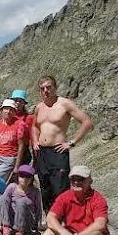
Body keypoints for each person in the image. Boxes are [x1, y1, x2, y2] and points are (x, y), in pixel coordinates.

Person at [32, 75, 93, 211]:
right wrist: (35, 140)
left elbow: (86, 122)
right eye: (42, 89)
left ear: (55, 88)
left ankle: (64, 222)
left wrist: (71, 143)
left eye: (49, 87)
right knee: (45, 188)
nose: (46, 91)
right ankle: (50, 222)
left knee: (60, 188)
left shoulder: (65, 104)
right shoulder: (39, 107)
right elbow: (35, 126)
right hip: (42, 152)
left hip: (58, 151)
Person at [0, 164, 42, 235]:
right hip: (11, 218)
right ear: (18, 176)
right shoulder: (12, 187)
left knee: (21, 202)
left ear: (31, 179)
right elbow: (1, 203)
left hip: (26, 220)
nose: (24, 179)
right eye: (22, 176)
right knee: (2, 198)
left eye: (28, 176)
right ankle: (6, 229)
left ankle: (19, 231)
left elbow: (38, 208)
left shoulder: (35, 191)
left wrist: (37, 225)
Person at [0, 99, 26, 182]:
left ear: (14, 112)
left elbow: (21, 146)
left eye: (11, 109)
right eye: (6, 108)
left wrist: (17, 166)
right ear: (1, 110)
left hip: (8, 158)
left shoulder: (19, 124)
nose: (8, 112)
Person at [10, 89, 34, 164]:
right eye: (15, 100)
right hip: (9, 152)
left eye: (20, 101)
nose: (17, 103)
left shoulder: (29, 118)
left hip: (24, 152)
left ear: (24, 103)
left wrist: (35, 158)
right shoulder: (8, 118)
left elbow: (33, 138)